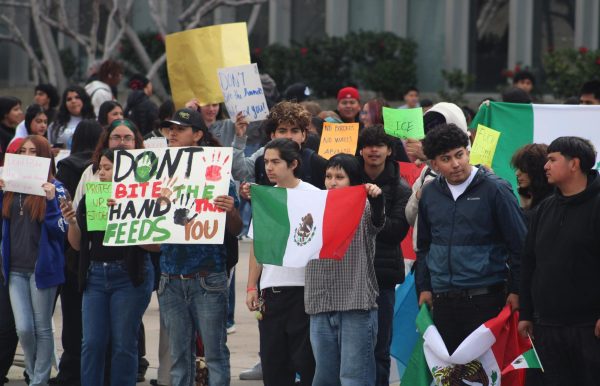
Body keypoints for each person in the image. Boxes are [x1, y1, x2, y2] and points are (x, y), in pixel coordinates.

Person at [415, 124, 526, 354]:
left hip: (486, 298)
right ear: (434, 164)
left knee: (485, 375)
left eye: (460, 155)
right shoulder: (429, 193)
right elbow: (424, 246)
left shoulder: (495, 189)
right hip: (442, 300)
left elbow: (519, 245)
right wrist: (424, 287)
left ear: (468, 151)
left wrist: (516, 290)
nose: (456, 164)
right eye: (446, 159)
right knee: (450, 373)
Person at [155, 108, 241, 386]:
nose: (172, 133)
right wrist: (126, 212)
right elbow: (149, 240)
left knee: (215, 354)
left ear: (198, 134)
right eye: (170, 128)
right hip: (170, 279)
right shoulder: (157, 173)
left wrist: (229, 210)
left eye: (180, 129)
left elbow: (237, 229)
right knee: (179, 357)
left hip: (208, 278)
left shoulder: (217, 173)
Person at [60, 147, 153, 386]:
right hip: (95, 276)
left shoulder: (140, 199)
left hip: (127, 276)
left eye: (107, 167)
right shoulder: (92, 199)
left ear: (123, 171)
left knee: (123, 343)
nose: (101, 172)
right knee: (91, 342)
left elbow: (156, 246)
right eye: (100, 167)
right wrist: (72, 222)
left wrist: (124, 212)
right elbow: (78, 245)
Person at [518, 136, 600, 385]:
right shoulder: (544, 209)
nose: (545, 166)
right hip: (547, 328)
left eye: (552, 160)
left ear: (574, 164)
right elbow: (529, 262)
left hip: (589, 330)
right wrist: (526, 313)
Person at [305, 153, 384, 386]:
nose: (332, 182)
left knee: (353, 378)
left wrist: (377, 199)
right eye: (328, 176)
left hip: (355, 305)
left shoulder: (365, 205)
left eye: (340, 176)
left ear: (354, 180)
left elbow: (378, 221)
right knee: (324, 378)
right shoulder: (312, 207)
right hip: (320, 303)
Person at [246, 138, 317, 386]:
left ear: (293, 164)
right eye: (266, 162)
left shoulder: (314, 196)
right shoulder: (265, 197)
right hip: (272, 292)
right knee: (274, 365)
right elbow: (257, 247)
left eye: (276, 162)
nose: (269, 167)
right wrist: (251, 287)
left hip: (305, 292)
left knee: (307, 363)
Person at [0, 135, 67, 386]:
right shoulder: (9, 188)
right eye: (23, 152)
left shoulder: (56, 188)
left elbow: (62, 230)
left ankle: (39, 380)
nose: (27, 157)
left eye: (33, 152)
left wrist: (50, 203)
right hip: (14, 270)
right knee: (23, 329)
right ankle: (32, 370)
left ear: (44, 158)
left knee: (42, 328)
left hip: (42, 271)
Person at [50, 120, 103, 386]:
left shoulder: (68, 167)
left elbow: (63, 206)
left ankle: (72, 372)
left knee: (73, 317)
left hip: (73, 250)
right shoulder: (102, 168)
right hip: (101, 251)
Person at [357, 125, 411, 386]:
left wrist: (374, 207)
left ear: (390, 150)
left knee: (379, 347)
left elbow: (395, 232)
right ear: (361, 150)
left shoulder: (401, 188)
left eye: (380, 145)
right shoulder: (347, 180)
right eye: (369, 145)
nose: (374, 150)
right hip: (350, 274)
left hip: (382, 276)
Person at [232, 101, 327, 188]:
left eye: (295, 131)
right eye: (282, 131)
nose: (289, 136)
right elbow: (240, 172)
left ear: (303, 135)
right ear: (273, 135)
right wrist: (239, 138)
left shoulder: (316, 162)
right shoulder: (261, 157)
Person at [73, 118, 144, 208]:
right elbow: (77, 208)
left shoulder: (146, 172)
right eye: (116, 137)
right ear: (107, 140)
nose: (122, 142)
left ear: (135, 142)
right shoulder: (91, 171)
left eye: (128, 138)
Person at [360, 98, 410, 162]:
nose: (362, 117)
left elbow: (405, 166)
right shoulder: (360, 136)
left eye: (366, 113)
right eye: (363, 112)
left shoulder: (393, 139)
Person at [510, 143, 553, 215]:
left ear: (537, 170)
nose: (517, 173)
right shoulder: (528, 195)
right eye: (517, 168)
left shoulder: (552, 201)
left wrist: (525, 209)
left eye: (523, 169)